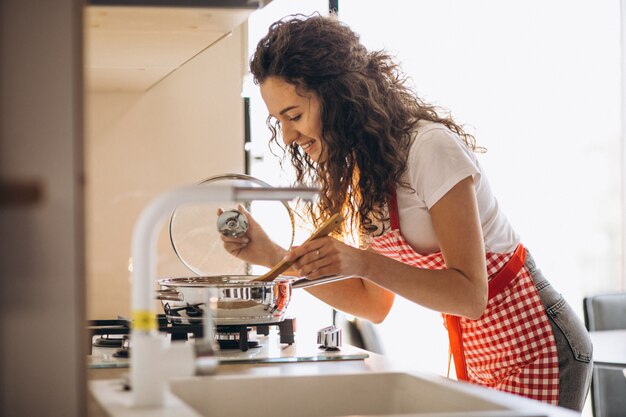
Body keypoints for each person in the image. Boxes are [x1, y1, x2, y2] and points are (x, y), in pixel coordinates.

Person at [220, 13, 592, 410]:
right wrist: (272, 254)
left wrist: (361, 261)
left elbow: (470, 296)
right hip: (483, 356)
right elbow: (371, 305)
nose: (290, 137)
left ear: (339, 95)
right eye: (280, 122)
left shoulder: (430, 149)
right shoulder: (368, 172)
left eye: (294, 116)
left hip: (537, 345)